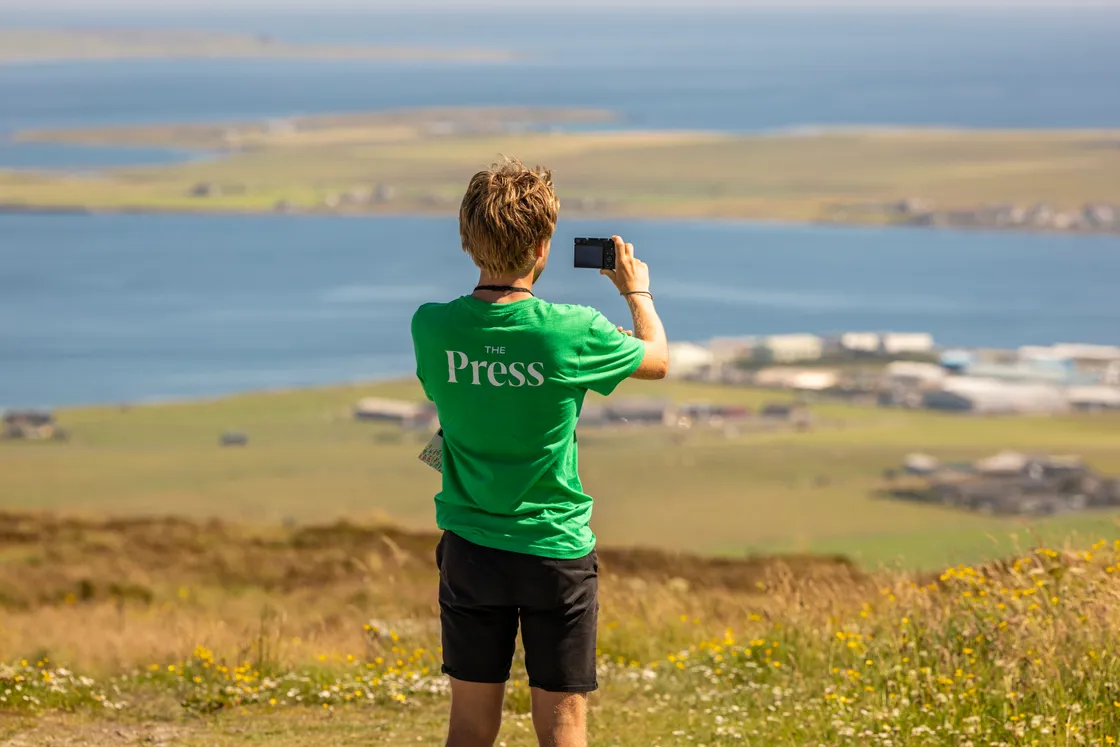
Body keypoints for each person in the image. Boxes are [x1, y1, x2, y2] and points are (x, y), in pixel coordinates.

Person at [410, 157, 669, 747]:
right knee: (562, 726)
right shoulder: (572, 330)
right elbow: (657, 359)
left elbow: (452, 407)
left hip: (470, 546)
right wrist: (636, 290)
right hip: (554, 548)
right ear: (543, 246)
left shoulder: (431, 326)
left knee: (468, 726)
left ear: (467, 240)